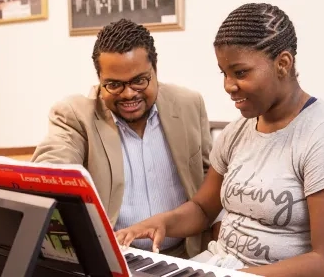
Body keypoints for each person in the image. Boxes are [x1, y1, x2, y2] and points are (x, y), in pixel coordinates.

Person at [114, 3, 324, 276]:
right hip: (214, 266)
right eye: (224, 73)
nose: (228, 86)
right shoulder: (238, 131)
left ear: (283, 64)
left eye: (240, 72)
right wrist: (161, 222)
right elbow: (202, 209)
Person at [31, 19, 216, 259]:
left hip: (185, 255)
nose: (129, 94)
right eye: (114, 85)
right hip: (117, 258)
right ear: (100, 81)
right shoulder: (75, 115)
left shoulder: (189, 104)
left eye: (140, 80)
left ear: (156, 71)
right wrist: (45, 176)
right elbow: (53, 164)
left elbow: (208, 179)